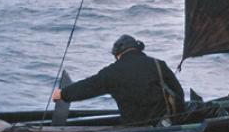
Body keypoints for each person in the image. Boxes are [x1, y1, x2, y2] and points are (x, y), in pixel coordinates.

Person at [52, 34, 185, 126]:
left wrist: (63, 94)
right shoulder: (158, 64)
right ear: (137, 49)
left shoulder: (112, 72)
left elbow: (88, 87)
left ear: (118, 54)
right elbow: (179, 93)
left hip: (135, 129)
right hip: (164, 125)